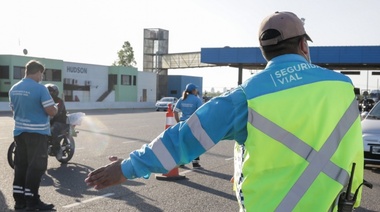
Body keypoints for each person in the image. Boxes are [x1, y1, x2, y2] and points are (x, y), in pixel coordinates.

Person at [85, 11, 364, 211]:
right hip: (337, 204)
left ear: (265, 52)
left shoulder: (247, 95)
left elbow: (184, 139)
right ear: (304, 45)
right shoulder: (342, 86)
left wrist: (126, 168)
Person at [9, 60, 58, 211]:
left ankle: (19, 201)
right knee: (35, 168)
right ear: (37, 72)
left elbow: (14, 109)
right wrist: (55, 108)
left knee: (21, 167)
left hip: (19, 133)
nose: (41, 77)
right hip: (37, 134)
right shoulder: (40, 89)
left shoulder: (14, 89)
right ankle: (32, 201)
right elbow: (50, 111)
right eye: (41, 74)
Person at [173, 83, 203, 168]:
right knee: (195, 143)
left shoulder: (181, 99)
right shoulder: (197, 100)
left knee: (183, 144)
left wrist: (178, 122)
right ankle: (195, 163)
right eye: (195, 89)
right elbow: (200, 112)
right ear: (193, 90)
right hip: (193, 123)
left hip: (183, 123)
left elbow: (175, 111)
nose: (196, 91)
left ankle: (182, 162)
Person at [45, 83, 68, 160]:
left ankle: (58, 150)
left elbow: (58, 112)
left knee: (52, 131)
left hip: (60, 121)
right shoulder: (45, 100)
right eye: (48, 92)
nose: (49, 93)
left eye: (51, 92)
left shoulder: (59, 101)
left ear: (55, 92)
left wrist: (52, 114)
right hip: (50, 121)